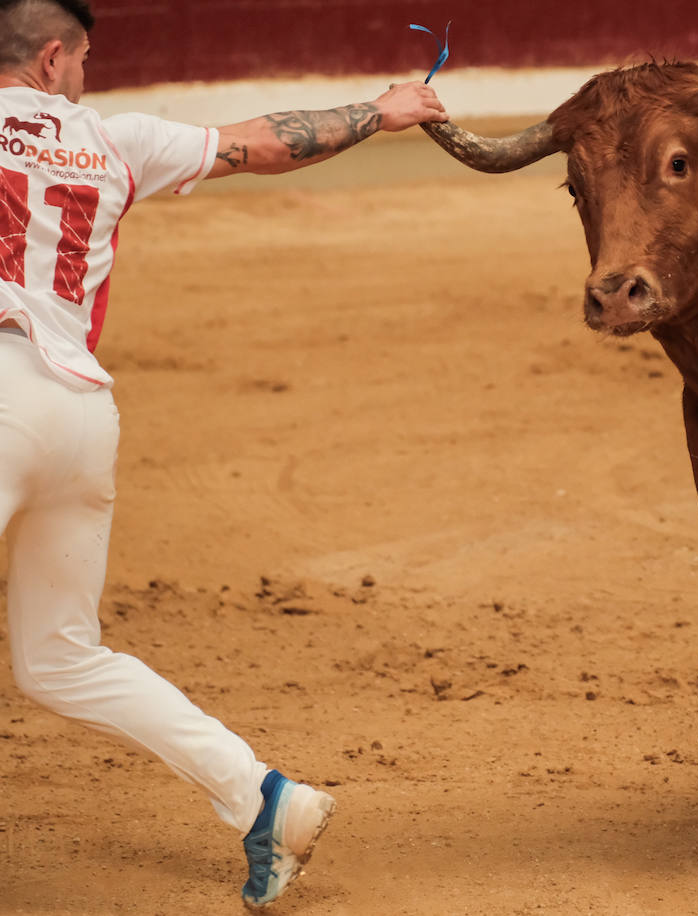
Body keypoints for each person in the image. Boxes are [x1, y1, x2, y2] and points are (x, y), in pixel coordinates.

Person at [0, 0, 447, 907]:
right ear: (52, 60)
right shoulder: (116, 140)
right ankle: (262, 799)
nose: (84, 77)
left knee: (61, 656)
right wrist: (382, 109)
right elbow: (269, 141)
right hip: (81, 412)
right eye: (83, 60)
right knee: (59, 658)